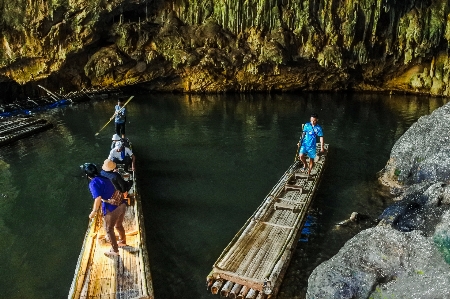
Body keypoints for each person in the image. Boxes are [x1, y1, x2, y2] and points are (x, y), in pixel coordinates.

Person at [84, 163, 127, 257]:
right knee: (118, 225)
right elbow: (105, 194)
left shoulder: (93, 183)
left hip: (112, 209)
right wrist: (106, 200)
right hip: (122, 204)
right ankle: (122, 241)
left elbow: (97, 198)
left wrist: (94, 211)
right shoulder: (104, 177)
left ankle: (115, 250)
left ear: (87, 175)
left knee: (109, 229)